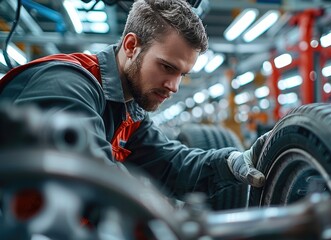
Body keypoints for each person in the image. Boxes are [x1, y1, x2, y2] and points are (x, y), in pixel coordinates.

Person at [0, 0, 269, 202]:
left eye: (182, 74)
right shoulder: (67, 84)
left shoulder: (129, 109)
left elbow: (169, 164)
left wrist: (231, 162)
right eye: (166, 67)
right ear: (131, 46)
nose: (174, 86)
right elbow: (90, 176)